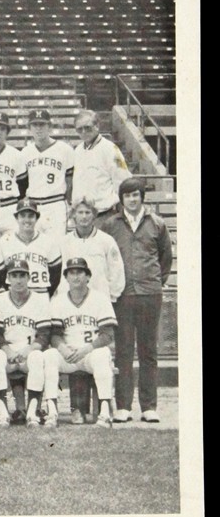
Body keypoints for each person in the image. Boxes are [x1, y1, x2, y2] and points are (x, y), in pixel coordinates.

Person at [102, 177, 173, 424]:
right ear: (121, 199)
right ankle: (123, 406)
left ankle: (149, 406)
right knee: (123, 351)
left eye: (136, 195)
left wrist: (154, 282)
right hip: (122, 296)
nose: (132, 199)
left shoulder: (157, 224)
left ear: (143, 197)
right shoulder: (111, 225)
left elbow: (165, 259)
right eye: (128, 195)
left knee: (148, 351)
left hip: (149, 295)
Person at [44, 257, 118, 429]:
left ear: (88, 277)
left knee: (102, 355)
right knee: (49, 356)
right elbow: (54, 334)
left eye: (80, 272)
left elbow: (107, 335)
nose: (76, 277)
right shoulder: (58, 301)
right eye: (72, 273)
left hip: (90, 353)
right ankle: (52, 412)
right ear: (66, 277)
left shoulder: (100, 299)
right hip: (69, 355)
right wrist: (62, 348)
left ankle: (105, 412)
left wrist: (87, 349)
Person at [0, 259, 52, 428]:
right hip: (7, 351)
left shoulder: (40, 300)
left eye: (22, 275)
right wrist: (6, 349)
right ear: (7, 278)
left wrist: (29, 349)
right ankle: (3, 413)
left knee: (38, 357)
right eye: (14, 275)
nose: (18, 280)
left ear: (29, 277)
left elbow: (45, 334)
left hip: (30, 350)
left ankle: (32, 412)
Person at [59, 197, 125, 303]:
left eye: (87, 212)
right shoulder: (64, 242)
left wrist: (111, 295)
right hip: (71, 300)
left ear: (94, 215)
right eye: (80, 212)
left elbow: (116, 270)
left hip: (99, 299)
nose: (84, 216)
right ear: (74, 215)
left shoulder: (106, 240)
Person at [21, 109, 75, 239]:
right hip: (32, 205)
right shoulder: (25, 152)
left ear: (49, 126)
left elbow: (70, 180)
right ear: (29, 128)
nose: (38, 129)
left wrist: (69, 204)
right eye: (35, 125)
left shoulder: (65, 149)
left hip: (55, 203)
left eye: (42, 125)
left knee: (56, 247)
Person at [71, 110, 131, 225]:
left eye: (87, 127)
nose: (83, 132)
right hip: (83, 216)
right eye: (79, 129)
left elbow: (123, 182)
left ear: (97, 126)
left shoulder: (110, 149)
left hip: (104, 214)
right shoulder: (78, 150)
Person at [0, 198, 62, 296]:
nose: (27, 220)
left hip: (40, 293)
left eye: (31, 216)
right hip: (15, 296)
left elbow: (56, 275)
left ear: (37, 218)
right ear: (16, 218)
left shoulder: (49, 241)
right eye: (22, 216)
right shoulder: (5, 241)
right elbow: (0, 274)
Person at [0, 111, 28, 239]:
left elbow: (23, 185)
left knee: (12, 249)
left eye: (3, 129)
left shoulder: (16, 155)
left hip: (10, 207)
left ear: (7, 132)